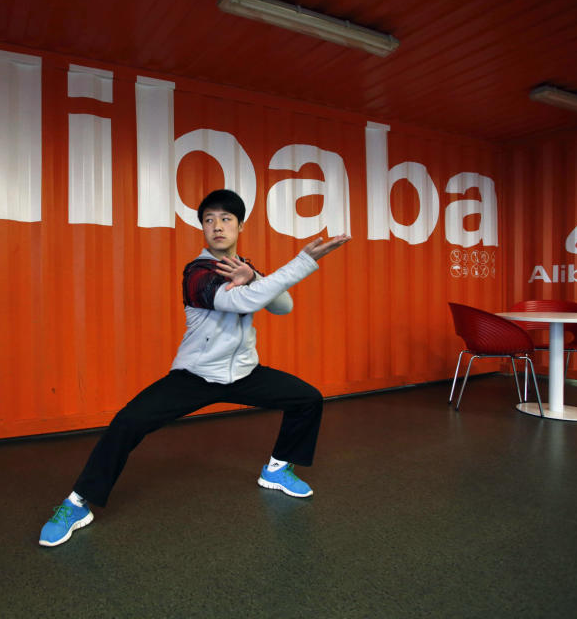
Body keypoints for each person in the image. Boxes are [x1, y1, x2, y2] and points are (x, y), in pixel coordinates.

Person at [39, 189, 350, 547]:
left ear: (240, 226)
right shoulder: (197, 272)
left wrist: (255, 277)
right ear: (202, 228)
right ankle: (77, 503)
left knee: (307, 399)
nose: (217, 226)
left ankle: (278, 468)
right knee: (128, 422)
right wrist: (300, 263)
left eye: (226, 219)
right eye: (209, 220)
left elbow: (283, 306)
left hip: (244, 374)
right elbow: (241, 301)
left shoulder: (242, 267)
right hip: (196, 376)